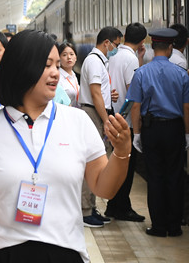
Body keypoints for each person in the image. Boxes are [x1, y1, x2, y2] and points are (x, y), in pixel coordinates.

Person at [0, 30, 132, 262]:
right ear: (21, 68)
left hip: (66, 251)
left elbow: (104, 188)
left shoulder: (77, 121)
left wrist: (122, 153)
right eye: (46, 65)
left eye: (56, 65)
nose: (55, 73)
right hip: (6, 252)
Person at [126, 28, 189, 237]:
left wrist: (137, 134)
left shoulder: (141, 73)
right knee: (175, 176)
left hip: (151, 130)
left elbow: (136, 107)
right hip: (174, 128)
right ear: (170, 47)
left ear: (151, 47)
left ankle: (158, 226)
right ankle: (174, 226)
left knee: (155, 178)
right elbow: (187, 107)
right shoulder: (181, 74)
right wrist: (186, 133)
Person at [77, 26, 122, 227]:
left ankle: (91, 207)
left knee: (96, 160)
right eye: (116, 45)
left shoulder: (97, 61)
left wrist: (108, 97)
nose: (116, 49)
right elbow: (95, 94)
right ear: (107, 43)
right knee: (92, 161)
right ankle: (85, 210)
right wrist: (106, 120)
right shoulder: (95, 62)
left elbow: (98, 92)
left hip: (97, 111)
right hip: (94, 113)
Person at [104, 23, 148, 222]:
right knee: (127, 168)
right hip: (126, 120)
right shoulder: (130, 59)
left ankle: (114, 205)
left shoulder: (114, 55)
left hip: (114, 116)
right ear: (141, 41)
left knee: (118, 164)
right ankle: (121, 207)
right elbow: (134, 91)